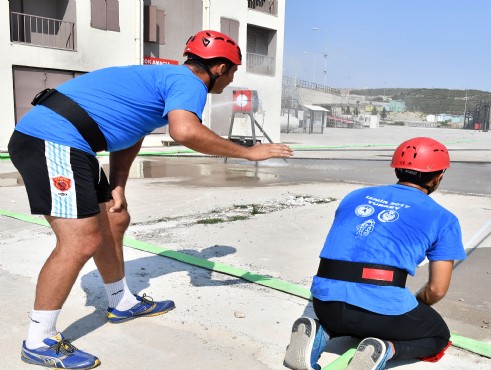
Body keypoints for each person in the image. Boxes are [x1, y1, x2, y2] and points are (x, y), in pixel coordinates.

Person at [9, 30, 293, 369]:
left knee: (115, 219)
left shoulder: (165, 79)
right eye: (232, 71)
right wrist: (248, 153)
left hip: (71, 143)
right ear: (219, 67)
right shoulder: (189, 83)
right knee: (79, 242)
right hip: (51, 139)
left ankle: (121, 302)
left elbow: (132, 133)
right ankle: (39, 340)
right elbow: (185, 132)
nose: (231, 79)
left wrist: (118, 184)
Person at [283, 137, 466, 370]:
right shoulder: (444, 219)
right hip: (379, 313)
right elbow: (436, 290)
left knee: (351, 314)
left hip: (325, 304)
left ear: (397, 168)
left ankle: (322, 331)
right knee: (438, 335)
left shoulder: (356, 196)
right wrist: (417, 302)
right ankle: (385, 349)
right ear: (438, 177)